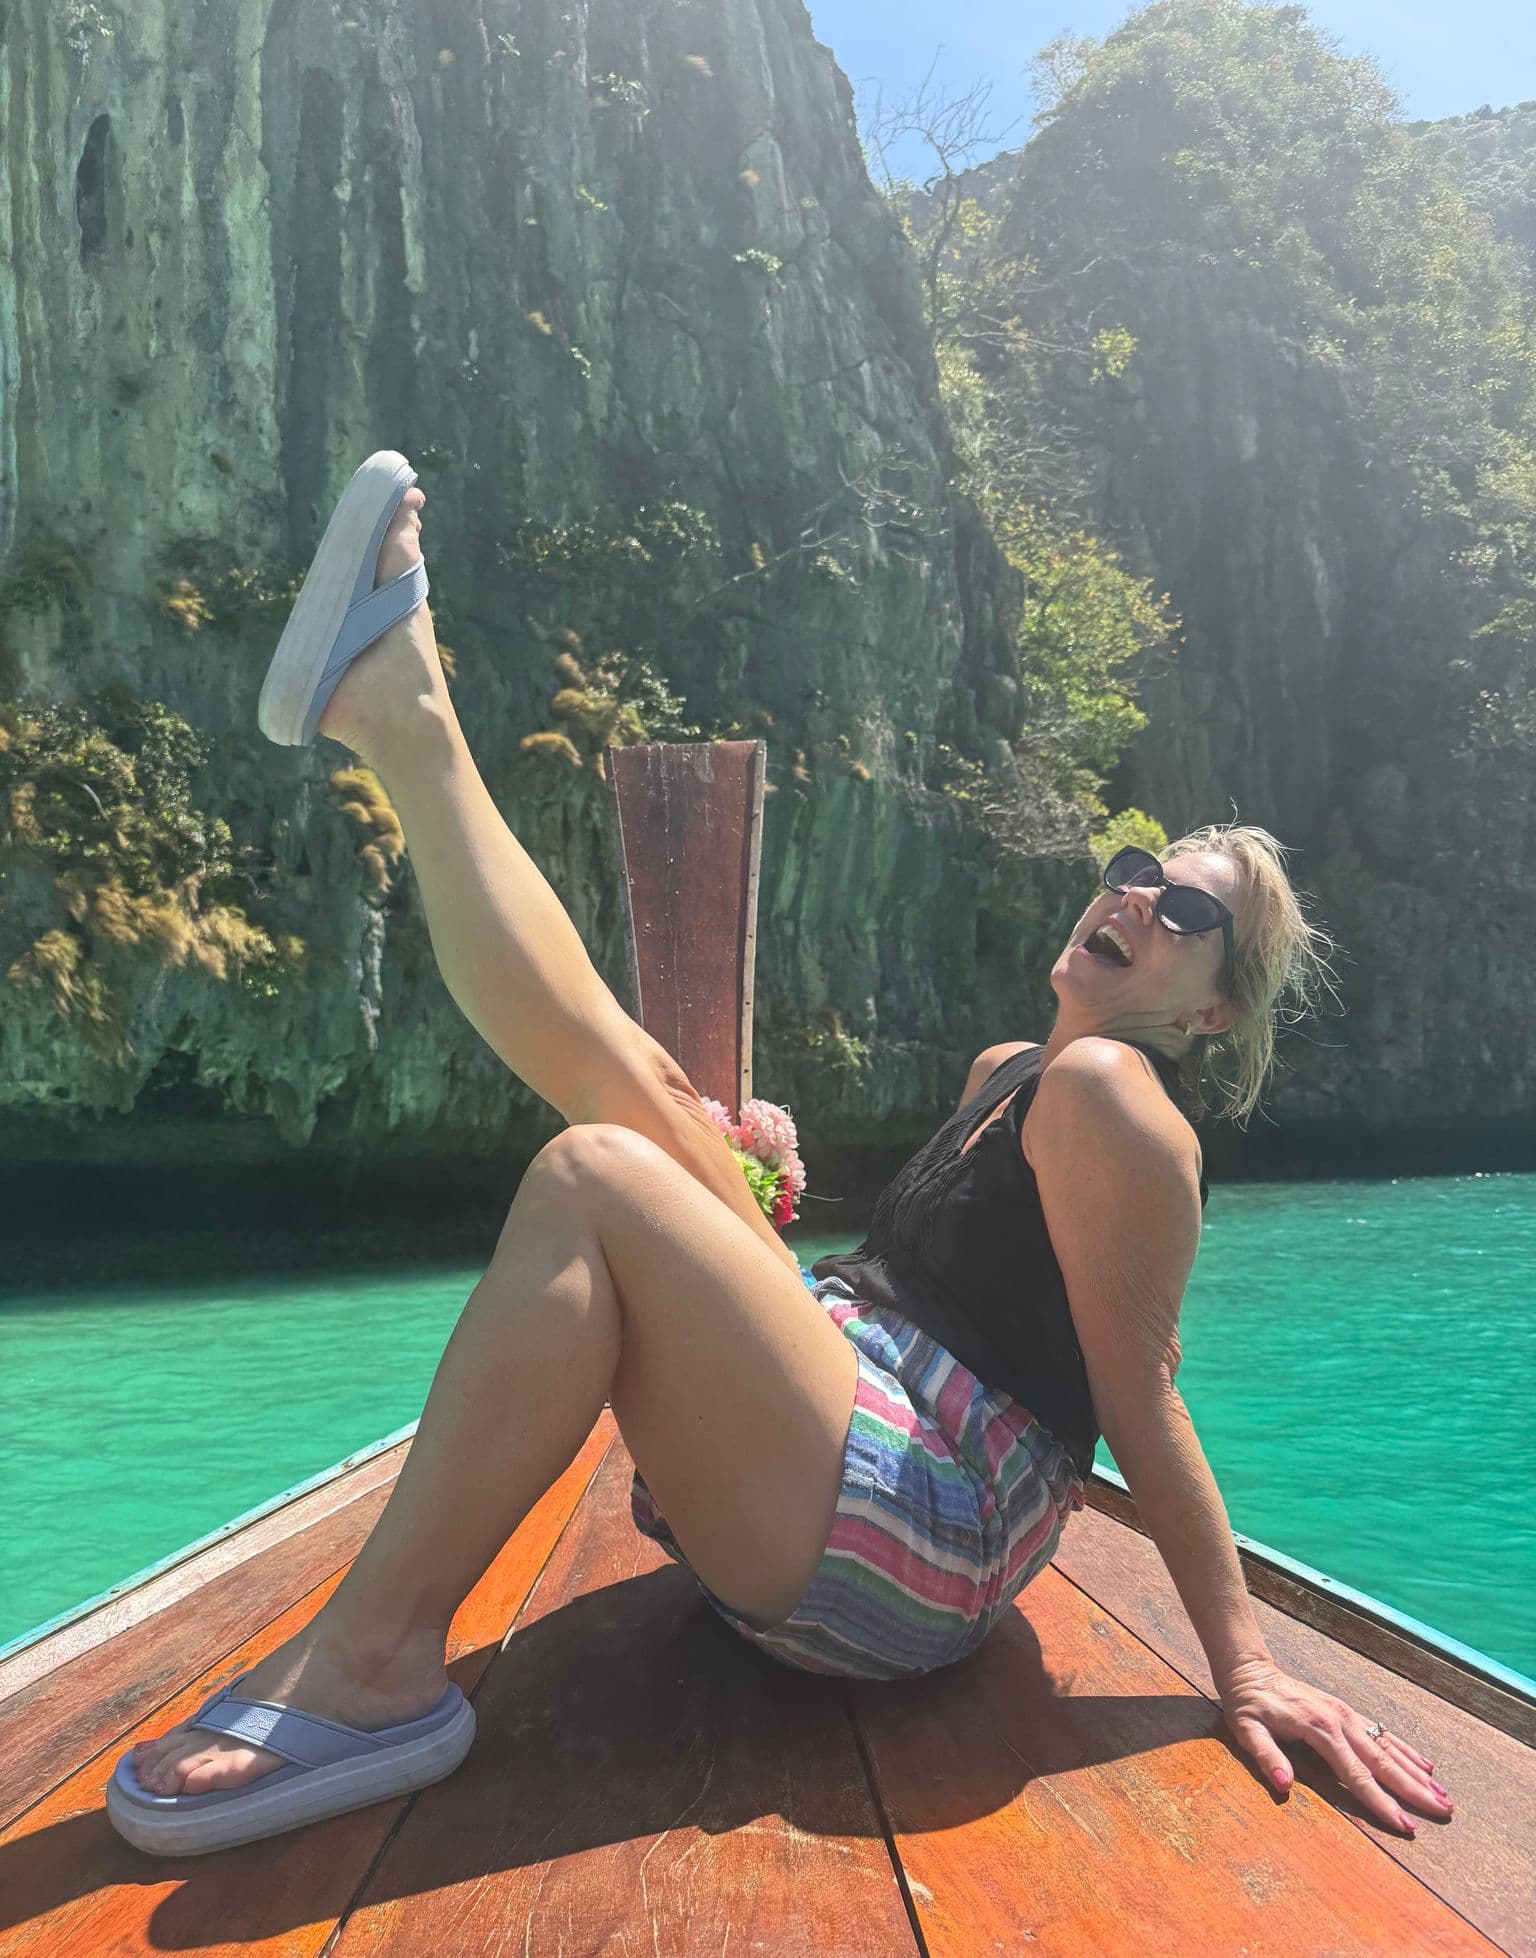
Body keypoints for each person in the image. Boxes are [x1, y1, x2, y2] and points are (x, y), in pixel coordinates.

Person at [109, 454, 1453, 1855]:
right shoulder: (1015, 1071)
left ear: (1212, 1008)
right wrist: (741, 1189)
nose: (1137, 895)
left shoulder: (1123, 1095)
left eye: (1187, 910)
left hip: (935, 1522)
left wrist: (1244, 1666)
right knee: (638, 1091)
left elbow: (1137, 1399)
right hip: (856, 1407)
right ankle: (402, 712)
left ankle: (379, 1665)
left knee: (597, 1168)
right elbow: (955, 1288)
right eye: (1135, 867)